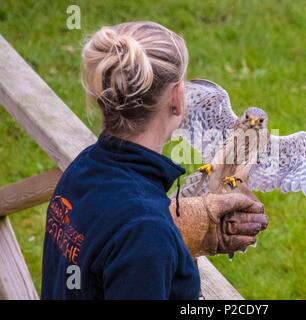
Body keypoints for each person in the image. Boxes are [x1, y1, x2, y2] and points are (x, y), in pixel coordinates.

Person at [41, 21, 268, 300]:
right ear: (178, 98)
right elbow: (136, 237)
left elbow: (105, 245)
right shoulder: (146, 231)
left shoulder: (84, 167)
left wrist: (181, 231)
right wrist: (160, 233)